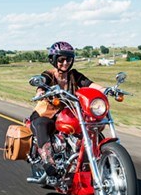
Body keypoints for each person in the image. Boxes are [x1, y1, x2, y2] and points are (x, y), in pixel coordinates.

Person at [30, 41, 104, 179]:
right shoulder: (49, 75)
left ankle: (100, 157)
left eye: (68, 59)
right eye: (61, 60)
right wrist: (40, 91)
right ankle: (48, 161)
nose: (65, 63)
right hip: (46, 114)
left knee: (90, 126)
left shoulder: (73, 75)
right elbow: (42, 81)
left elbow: (89, 84)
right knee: (42, 124)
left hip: (68, 114)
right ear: (53, 60)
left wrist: (105, 90)